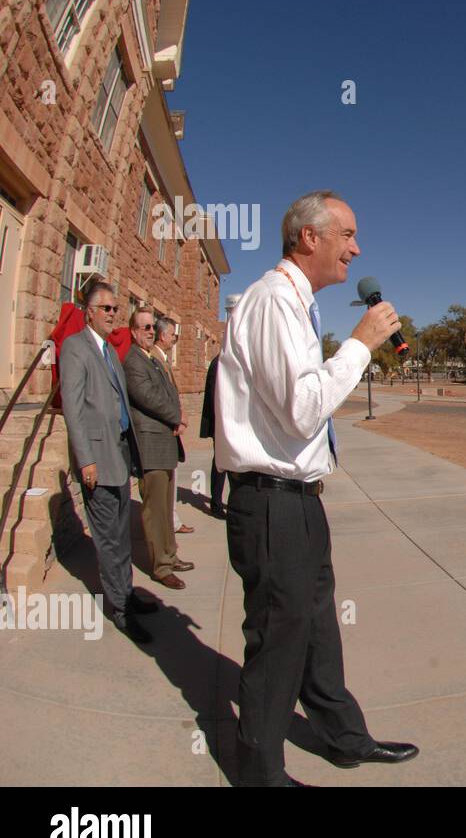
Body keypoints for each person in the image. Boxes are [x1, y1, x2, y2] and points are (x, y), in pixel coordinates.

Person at [216, 190, 418, 786]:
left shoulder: (298, 305)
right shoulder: (275, 301)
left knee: (317, 630)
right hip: (270, 504)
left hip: (300, 503)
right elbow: (304, 410)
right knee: (279, 641)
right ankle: (259, 772)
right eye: (347, 235)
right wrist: (360, 344)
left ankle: (343, 738)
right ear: (310, 237)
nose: (356, 249)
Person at [59, 281, 157, 643]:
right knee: (108, 540)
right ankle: (120, 609)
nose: (114, 314)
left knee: (121, 534)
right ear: (90, 312)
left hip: (118, 454)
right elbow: (73, 407)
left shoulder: (111, 352)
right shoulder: (75, 348)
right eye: (107, 308)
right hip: (96, 460)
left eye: (116, 309)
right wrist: (85, 460)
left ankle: (128, 595)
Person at [123, 307, 189, 589]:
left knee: (165, 506)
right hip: (150, 442)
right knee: (154, 509)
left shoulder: (150, 359)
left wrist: (176, 416)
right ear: (134, 331)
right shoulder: (134, 360)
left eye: (152, 327)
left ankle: (170, 555)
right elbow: (147, 396)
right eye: (145, 327)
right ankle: (161, 566)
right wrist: (176, 416)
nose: (150, 331)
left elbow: (167, 393)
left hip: (165, 441)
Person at [151, 316, 194, 535]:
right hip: (162, 430)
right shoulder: (153, 359)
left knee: (172, 479)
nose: (175, 339)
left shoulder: (164, 359)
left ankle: (173, 520)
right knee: (163, 484)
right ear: (163, 335)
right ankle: (169, 524)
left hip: (171, 428)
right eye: (172, 335)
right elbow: (158, 396)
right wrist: (176, 418)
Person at [199, 352, 226, 518]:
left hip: (230, 424)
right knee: (220, 464)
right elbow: (215, 395)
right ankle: (216, 504)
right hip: (222, 424)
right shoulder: (219, 363)